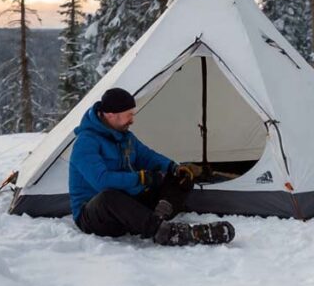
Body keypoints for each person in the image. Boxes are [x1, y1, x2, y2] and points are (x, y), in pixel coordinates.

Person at [69, 87, 235, 246]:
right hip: (95, 215)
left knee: (181, 178)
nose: (132, 120)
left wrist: (173, 168)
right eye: (129, 115)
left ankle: (156, 218)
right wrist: (140, 178)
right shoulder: (85, 142)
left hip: (127, 206)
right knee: (108, 197)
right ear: (111, 115)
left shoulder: (125, 137)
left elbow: (147, 156)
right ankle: (165, 232)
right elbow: (101, 181)